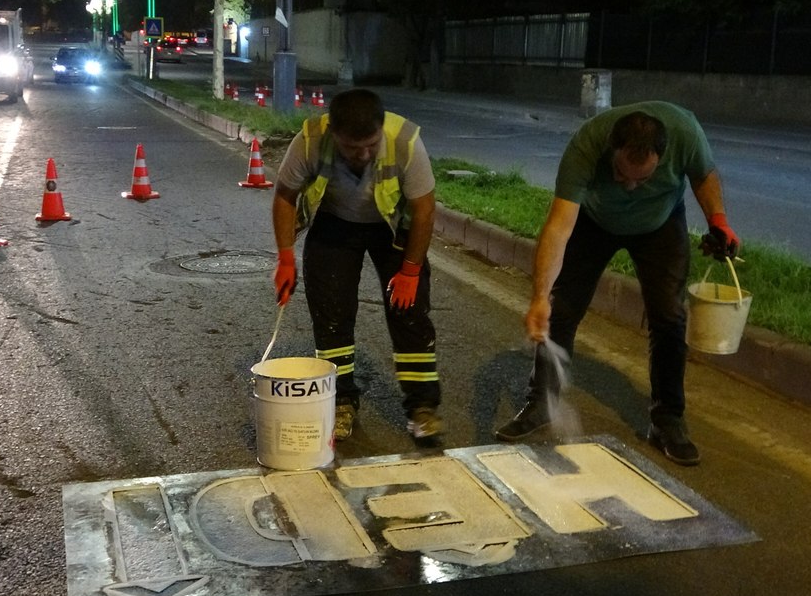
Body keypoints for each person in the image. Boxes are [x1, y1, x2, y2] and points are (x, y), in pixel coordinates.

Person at [494, 102, 740, 467]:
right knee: (561, 310)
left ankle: (667, 420)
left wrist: (719, 221)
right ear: (611, 149)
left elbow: (704, 175)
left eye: (642, 179)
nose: (629, 186)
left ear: (663, 154)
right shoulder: (586, 145)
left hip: (660, 224)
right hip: (595, 221)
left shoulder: (685, 133)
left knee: (670, 317)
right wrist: (539, 297)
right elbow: (559, 226)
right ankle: (542, 403)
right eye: (621, 174)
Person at [270, 88, 443, 442]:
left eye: (371, 145)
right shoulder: (310, 141)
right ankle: (341, 401)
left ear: (381, 129)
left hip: (392, 227)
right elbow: (285, 196)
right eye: (352, 148)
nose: (363, 155)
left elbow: (424, 210)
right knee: (331, 312)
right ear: (334, 133)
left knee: (409, 312)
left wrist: (410, 271)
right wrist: (286, 258)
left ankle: (422, 407)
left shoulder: (406, 143)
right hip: (334, 223)